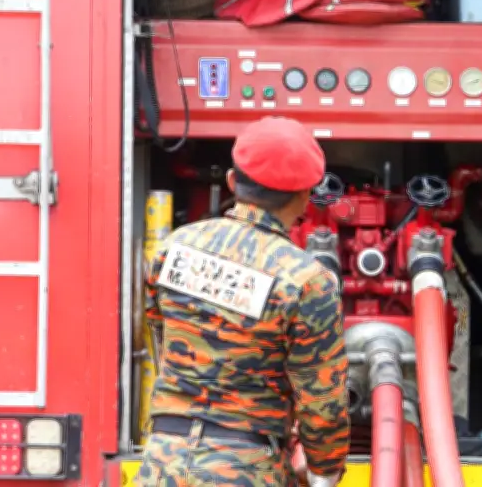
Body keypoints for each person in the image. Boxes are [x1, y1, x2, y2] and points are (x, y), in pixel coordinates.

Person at [135, 116, 351, 487]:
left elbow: (160, 335)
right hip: (245, 469)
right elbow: (321, 401)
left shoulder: (175, 247)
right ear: (304, 196)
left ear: (232, 182)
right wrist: (323, 470)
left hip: (162, 463)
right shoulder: (306, 280)